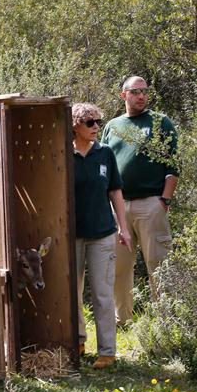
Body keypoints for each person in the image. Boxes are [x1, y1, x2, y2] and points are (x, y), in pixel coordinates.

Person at [101, 76, 179, 326]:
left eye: (145, 92)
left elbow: (173, 166)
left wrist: (164, 200)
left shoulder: (159, 122)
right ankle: (122, 321)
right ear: (123, 95)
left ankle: (166, 323)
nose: (142, 96)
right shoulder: (112, 126)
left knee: (159, 264)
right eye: (136, 92)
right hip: (118, 208)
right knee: (120, 268)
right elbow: (103, 164)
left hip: (150, 205)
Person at [72, 102, 131, 369]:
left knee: (102, 293)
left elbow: (115, 191)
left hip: (102, 234)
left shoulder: (105, 153)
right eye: (90, 123)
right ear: (75, 125)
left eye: (98, 121)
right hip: (71, 235)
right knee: (72, 292)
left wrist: (124, 227)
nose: (97, 127)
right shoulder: (62, 154)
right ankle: (78, 340)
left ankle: (107, 351)